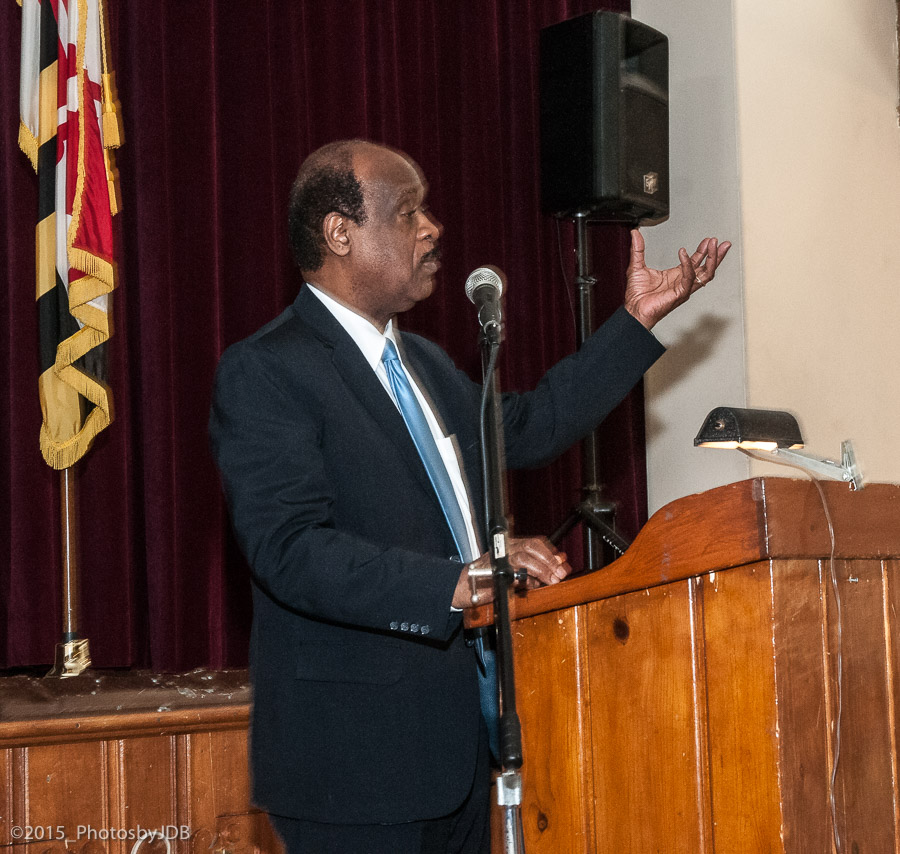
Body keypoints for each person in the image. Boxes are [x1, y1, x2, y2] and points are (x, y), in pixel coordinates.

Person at [209, 139, 730, 854]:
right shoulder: (268, 370)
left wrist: (634, 323)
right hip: (353, 768)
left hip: (456, 752)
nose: (433, 229)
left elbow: (527, 427)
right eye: (408, 212)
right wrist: (456, 581)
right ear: (340, 233)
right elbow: (291, 550)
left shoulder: (420, 360)